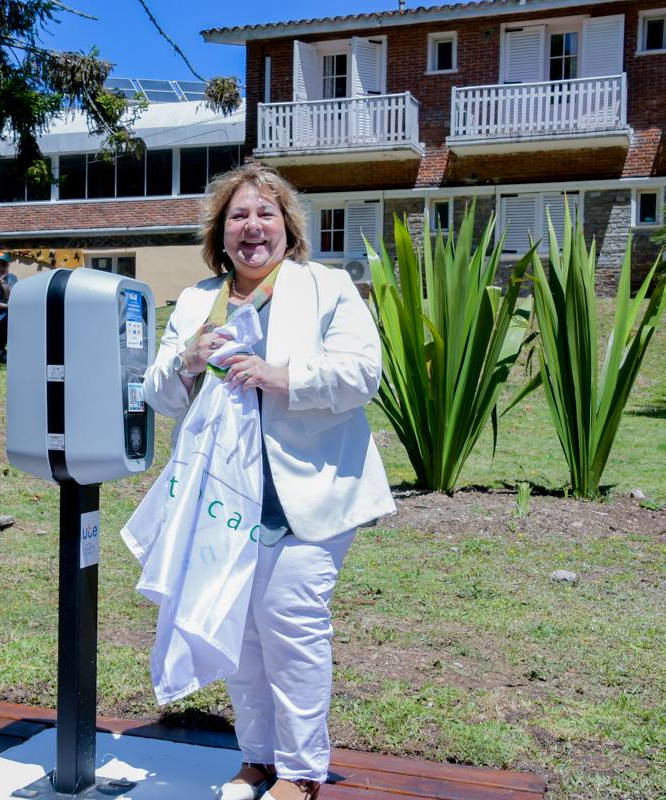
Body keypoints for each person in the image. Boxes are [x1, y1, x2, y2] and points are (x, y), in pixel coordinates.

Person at [142, 164, 395, 800]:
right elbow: (159, 394)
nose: (252, 227)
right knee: (241, 631)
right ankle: (257, 759)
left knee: (291, 626)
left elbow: (365, 373)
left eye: (265, 214)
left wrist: (280, 375)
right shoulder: (199, 300)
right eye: (238, 216)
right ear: (220, 233)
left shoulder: (327, 287)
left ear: (287, 225)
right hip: (222, 498)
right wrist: (190, 357)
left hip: (306, 495)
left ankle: (303, 772)